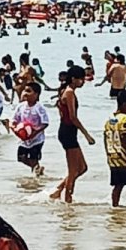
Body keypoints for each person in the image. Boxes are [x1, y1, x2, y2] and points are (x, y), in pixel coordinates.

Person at [50, 71, 97, 202]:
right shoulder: (69, 92)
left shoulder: (66, 91)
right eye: (80, 79)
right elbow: (72, 117)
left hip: (67, 131)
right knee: (73, 170)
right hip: (68, 132)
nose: (82, 81)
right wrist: (86, 135)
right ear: (73, 79)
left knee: (82, 168)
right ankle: (68, 199)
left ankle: (58, 190)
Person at [103, 89, 126, 209]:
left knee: (118, 185)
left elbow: (105, 138)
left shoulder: (109, 120)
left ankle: (115, 206)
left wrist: (108, 155)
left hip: (113, 157)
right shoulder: (125, 119)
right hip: (125, 158)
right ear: (125, 105)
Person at [10, 81, 49, 176]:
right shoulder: (20, 106)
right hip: (24, 139)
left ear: (36, 94)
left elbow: (45, 123)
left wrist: (35, 132)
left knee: (33, 158)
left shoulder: (39, 108)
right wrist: (14, 129)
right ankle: (37, 168)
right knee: (21, 157)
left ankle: (36, 177)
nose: (25, 93)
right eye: (25, 90)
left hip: (37, 139)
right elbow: (13, 121)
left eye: (28, 91)